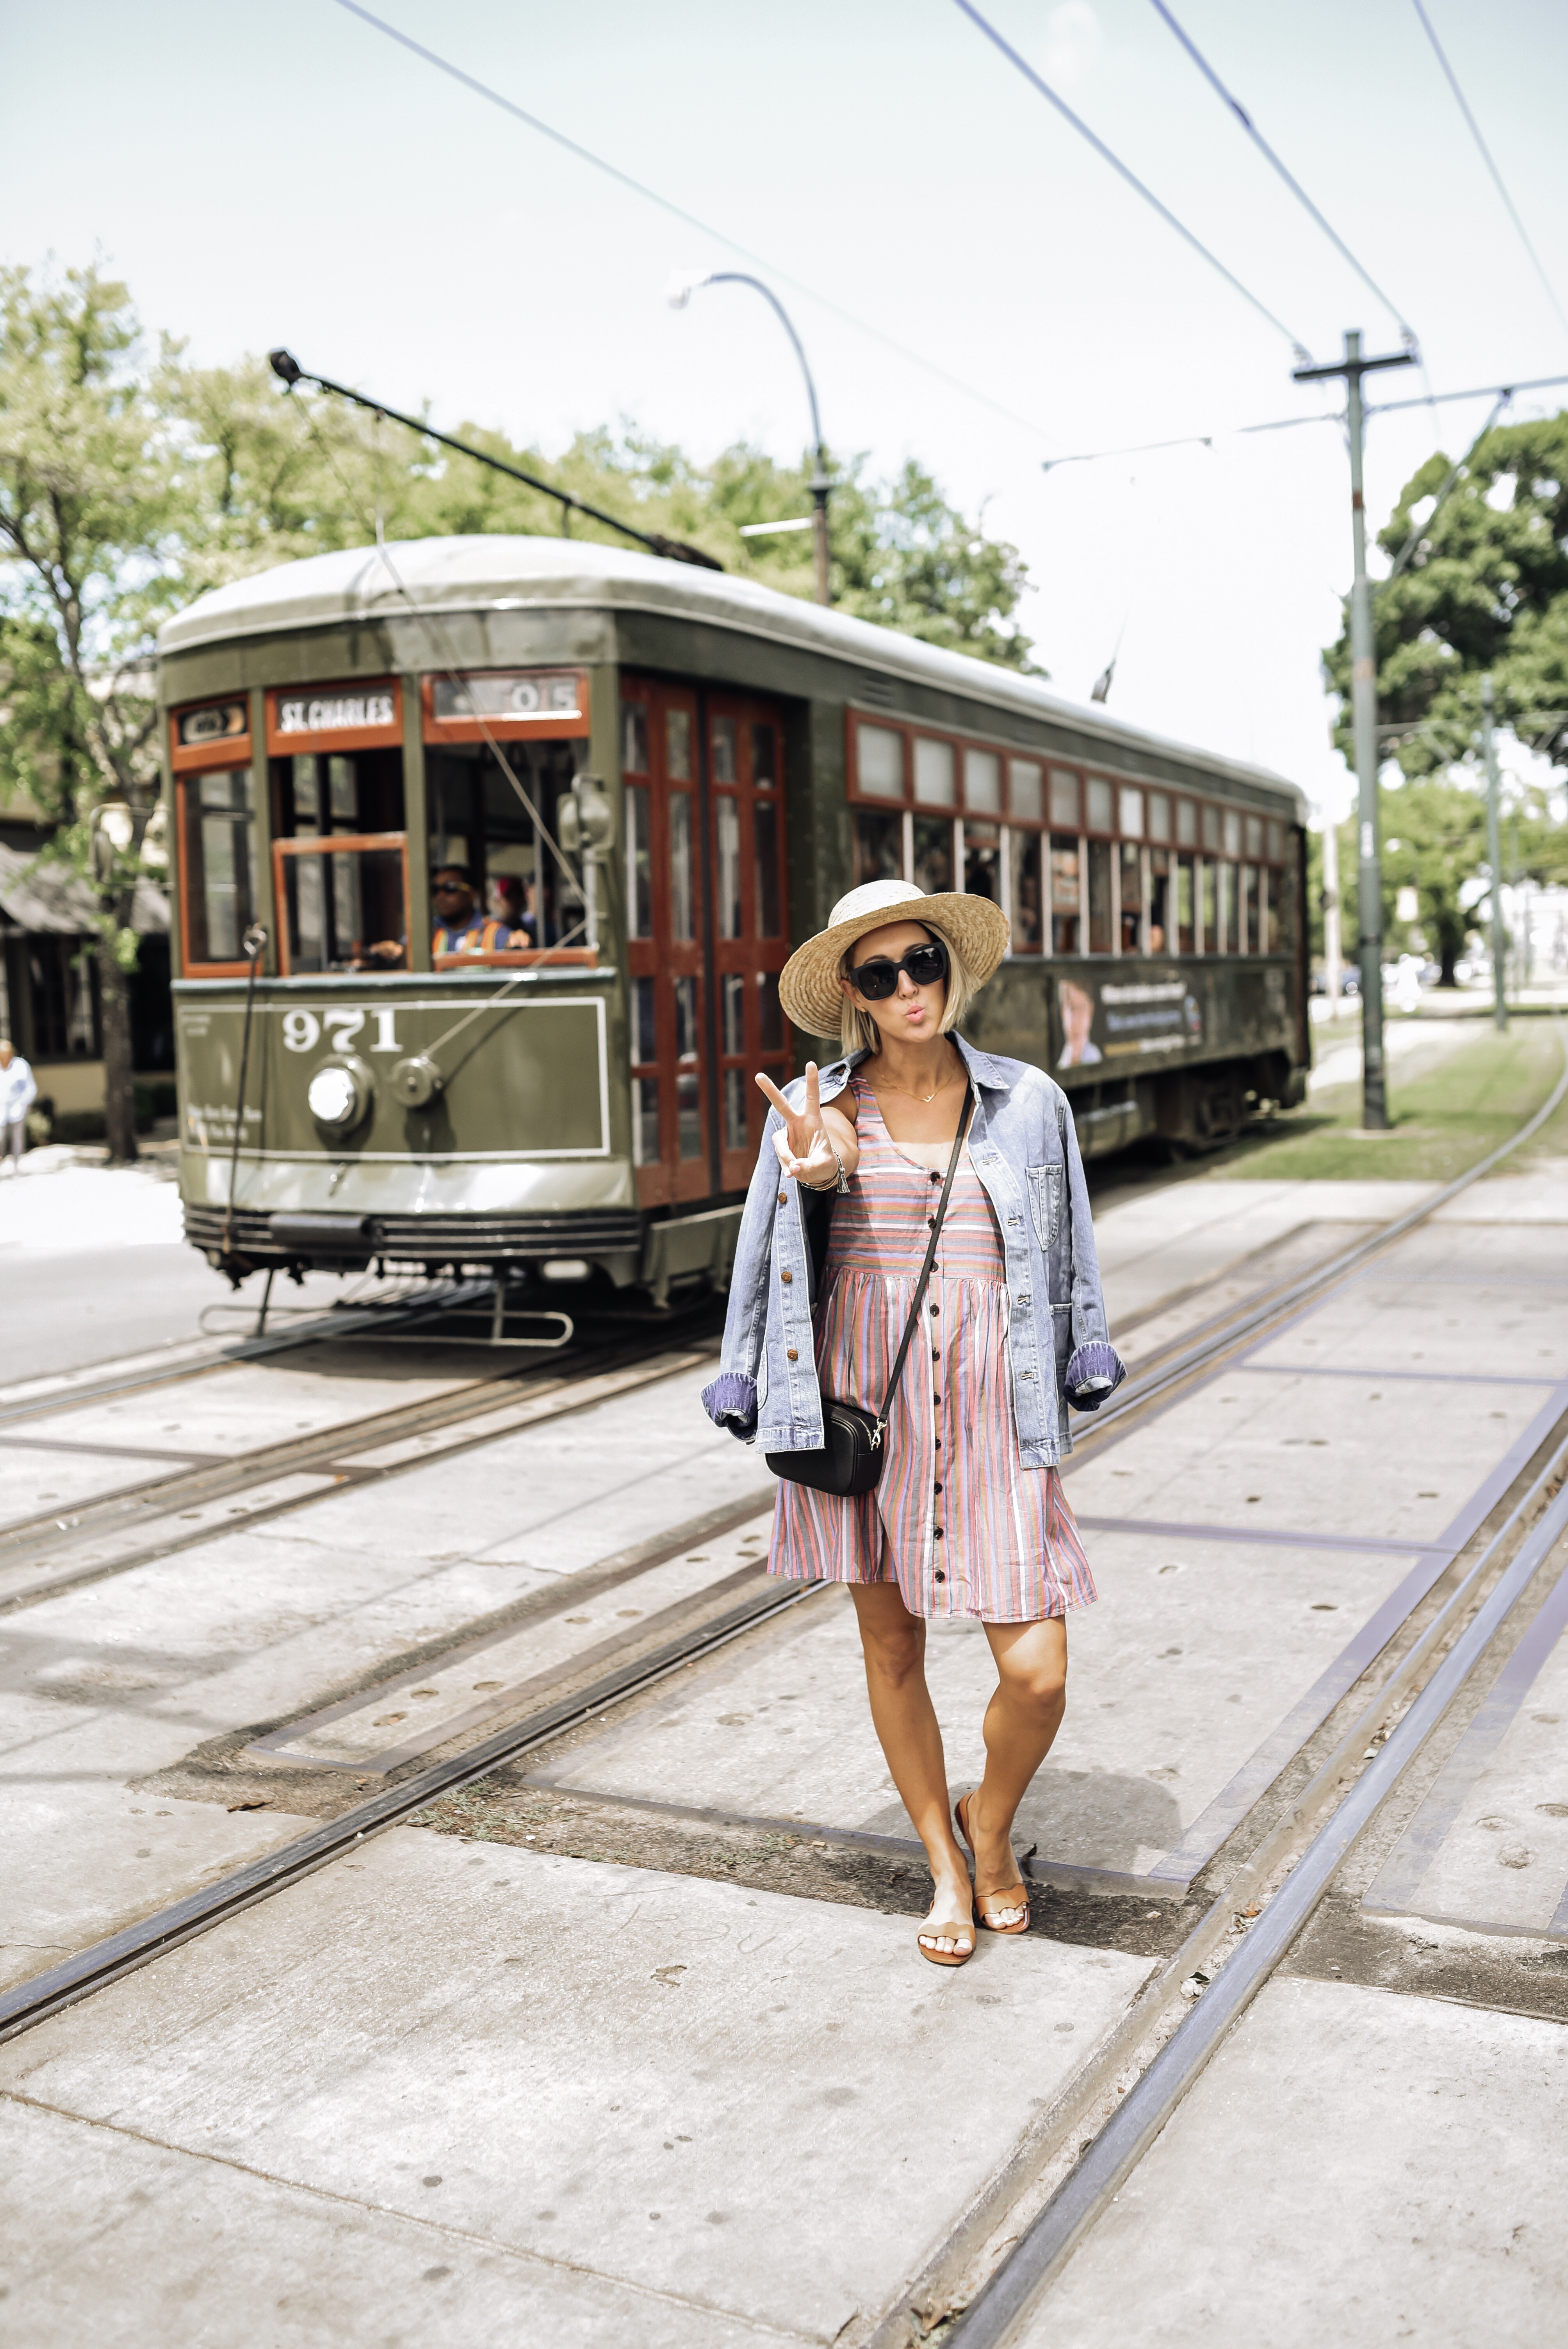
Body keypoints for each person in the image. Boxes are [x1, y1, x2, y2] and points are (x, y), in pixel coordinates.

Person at [702, 878, 1124, 1968]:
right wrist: (810, 1172)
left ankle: (994, 1822)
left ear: (950, 966)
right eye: (880, 975)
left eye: (922, 964)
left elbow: (1071, 1244)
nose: (907, 990)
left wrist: (1086, 1346)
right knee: (892, 1649)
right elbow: (769, 1242)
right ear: (854, 992)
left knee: (1037, 1671)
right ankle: (947, 1863)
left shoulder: (1029, 1100)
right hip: (868, 1403)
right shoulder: (820, 1109)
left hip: (994, 1402)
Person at [430, 864, 511, 958]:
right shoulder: (429, 932)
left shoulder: (496, 934)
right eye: (435, 890)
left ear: (471, 894)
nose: (440, 896)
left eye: (450, 888)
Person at [1, 1039, 37, 1171]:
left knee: (17, 1137)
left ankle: (16, 1164)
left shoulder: (21, 1065)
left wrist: (25, 1104)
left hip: (18, 1108)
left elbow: (30, 1087)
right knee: (1, 1137)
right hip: (2, 1109)